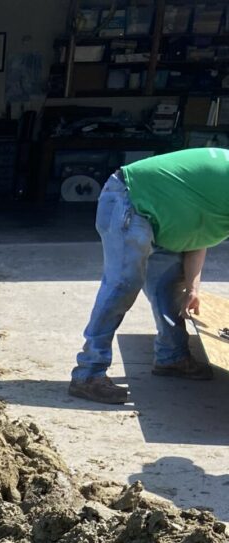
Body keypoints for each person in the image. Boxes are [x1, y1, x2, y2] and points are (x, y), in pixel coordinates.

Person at [69, 147, 229, 404]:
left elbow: (201, 235)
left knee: (170, 286)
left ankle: (171, 356)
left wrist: (193, 287)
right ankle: (88, 373)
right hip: (129, 200)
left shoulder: (217, 194)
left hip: (159, 217)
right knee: (123, 284)